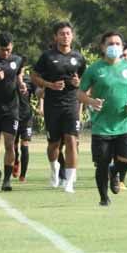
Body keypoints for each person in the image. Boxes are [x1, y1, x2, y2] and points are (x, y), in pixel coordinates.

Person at [78, 31, 127, 206]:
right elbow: (79, 93)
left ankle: (114, 172)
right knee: (102, 163)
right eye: (110, 43)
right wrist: (91, 101)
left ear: (122, 47)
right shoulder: (94, 69)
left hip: (124, 124)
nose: (114, 47)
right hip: (101, 126)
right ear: (103, 46)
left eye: (117, 43)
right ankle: (103, 198)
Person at [32, 21, 87, 192]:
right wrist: (49, 85)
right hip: (52, 105)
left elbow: (86, 80)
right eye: (62, 33)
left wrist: (79, 83)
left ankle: (69, 181)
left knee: (71, 140)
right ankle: (54, 168)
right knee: (54, 144)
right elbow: (34, 76)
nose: (65, 36)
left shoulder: (78, 58)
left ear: (72, 36)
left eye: (68, 33)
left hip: (71, 103)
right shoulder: (47, 57)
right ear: (55, 36)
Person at [0, 32, 25, 191]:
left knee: (10, 144)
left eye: (8, 49)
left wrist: (21, 83)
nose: (5, 53)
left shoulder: (18, 60)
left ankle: (7, 180)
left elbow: (19, 73)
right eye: (2, 50)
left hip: (11, 109)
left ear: (12, 47)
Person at [14, 72, 37, 182]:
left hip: (26, 117)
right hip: (12, 116)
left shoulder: (29, 80)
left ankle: (23, 175)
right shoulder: (10, 79)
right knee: (13, 145)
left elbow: (39, 93)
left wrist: (40, 107)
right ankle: (15, 161)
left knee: (25, 144)